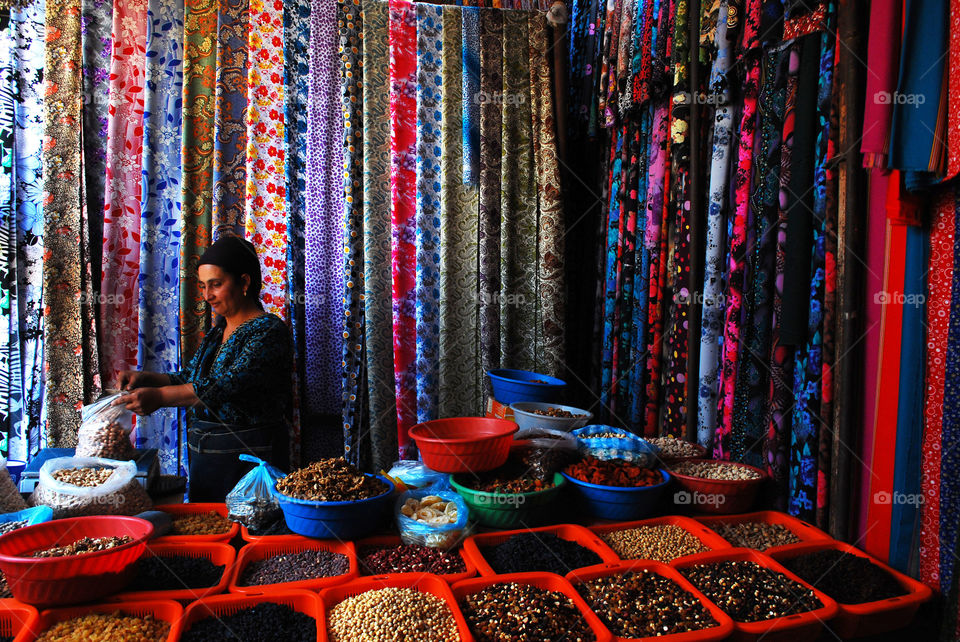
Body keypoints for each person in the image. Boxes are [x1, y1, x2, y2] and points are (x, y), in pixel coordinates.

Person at [115, 235, 293, 501]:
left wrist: (160, 397)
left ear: (244, 282)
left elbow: (224, 385)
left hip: (250, 459)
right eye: (203, 286)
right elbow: (192, 377)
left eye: (216, 285)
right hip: (210, 457)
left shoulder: (268, 331)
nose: (207, 296)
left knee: (250, 533)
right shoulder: (219, 330)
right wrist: (148, 379)